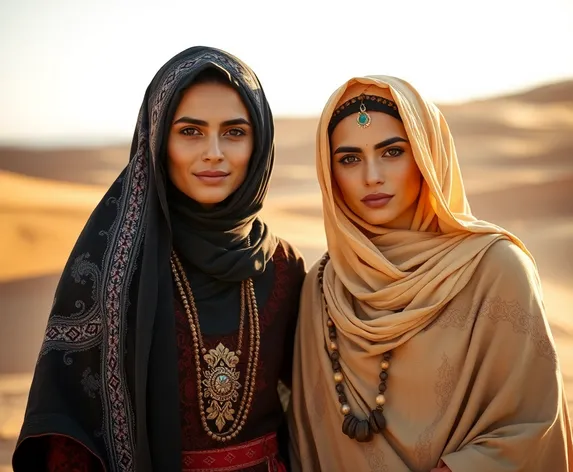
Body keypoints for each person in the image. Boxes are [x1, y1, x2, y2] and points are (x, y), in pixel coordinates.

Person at [12, 46, 306, 472]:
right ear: (157, 138)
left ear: (260, 142)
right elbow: (69, 428)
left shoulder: (282, 264)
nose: (213, 152)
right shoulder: (110, 265)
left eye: (235, 132)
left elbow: (317, 406)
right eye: (190, 131)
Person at [288, 75, 573, 471]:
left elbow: (531, 425)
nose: (372, 176)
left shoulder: (495, 268)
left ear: (427, 154)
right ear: (329, 173)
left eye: (392, 152)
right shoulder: (323, 286)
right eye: (349, 159)